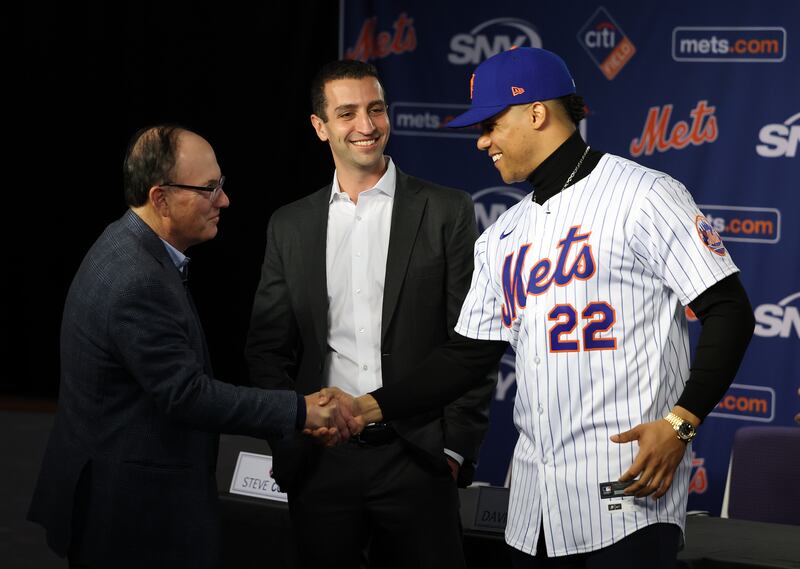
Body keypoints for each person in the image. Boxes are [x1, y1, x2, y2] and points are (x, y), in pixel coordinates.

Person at [420, 47, 753, 568]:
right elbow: (465, 358)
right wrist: (366, 408)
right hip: (533, 507)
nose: (481, 140)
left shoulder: (646, 195)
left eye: (489, 123)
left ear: (535, 112)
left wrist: (682, 423)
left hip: (629, 497)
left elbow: (729, 309)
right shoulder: (502, 235)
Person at [27, 125, 348, 569]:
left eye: (222, 184)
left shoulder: (127, 243)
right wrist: (301, 411)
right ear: (160, 198)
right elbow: (187, 395)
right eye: (209, 189)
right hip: (130, 519)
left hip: (114, 492)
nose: (224, 200)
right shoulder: (136, 279)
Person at [245, 60, 495, 568]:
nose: (366, 125)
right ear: (320, 127)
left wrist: (452, 451)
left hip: (418, 457)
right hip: (320, 463)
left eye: (376, 109)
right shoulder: (289, 225)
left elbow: (470, 343)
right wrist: (291, 435)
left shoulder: (447, 210)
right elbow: (268, 347)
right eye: (347, 113)